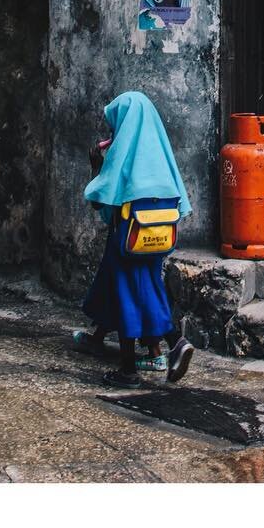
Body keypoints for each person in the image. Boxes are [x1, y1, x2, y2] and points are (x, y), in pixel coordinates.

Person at [71, 90, 195, 387]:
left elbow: (102, 199)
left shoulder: (123, 151)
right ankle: (163, 347)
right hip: (159, 237)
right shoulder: (158, 149)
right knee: (145, 288)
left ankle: (145, 359)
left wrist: (97, 166)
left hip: (128, 235)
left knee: (126, 293)